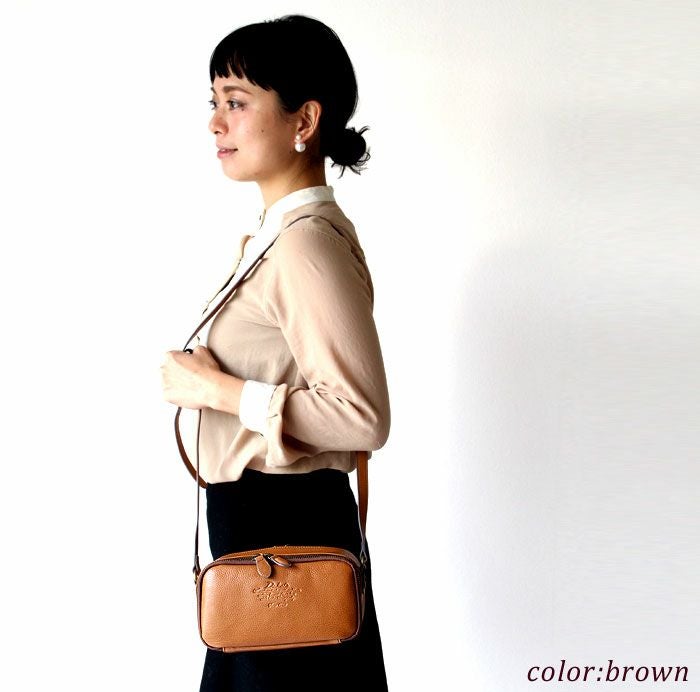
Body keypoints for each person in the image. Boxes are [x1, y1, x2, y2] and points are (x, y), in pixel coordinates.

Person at [160, 14, 392, 692]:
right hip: (260, 534)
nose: (215, 123)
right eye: (214, 102)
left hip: (284, 534)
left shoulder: (304, 244)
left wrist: (215, 391)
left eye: (236, 102)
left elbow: (363, 417)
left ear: (304, 120)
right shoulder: (277, 237)